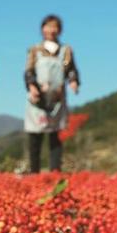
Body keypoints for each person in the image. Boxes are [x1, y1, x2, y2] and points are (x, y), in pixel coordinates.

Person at [23, 14, 80, 173]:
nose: (51, 30)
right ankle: (34, 172)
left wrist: (73, 81)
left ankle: (55, 171)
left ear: (60, 30)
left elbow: (71, 70)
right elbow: (29, 71)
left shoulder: (65, 51)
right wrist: (32, 87)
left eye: (55, 26)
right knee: (35, 136)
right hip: (38, 99)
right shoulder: (35, 50)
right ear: (42, 29)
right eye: (48, 26)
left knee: (56, 137)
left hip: (57, 98)